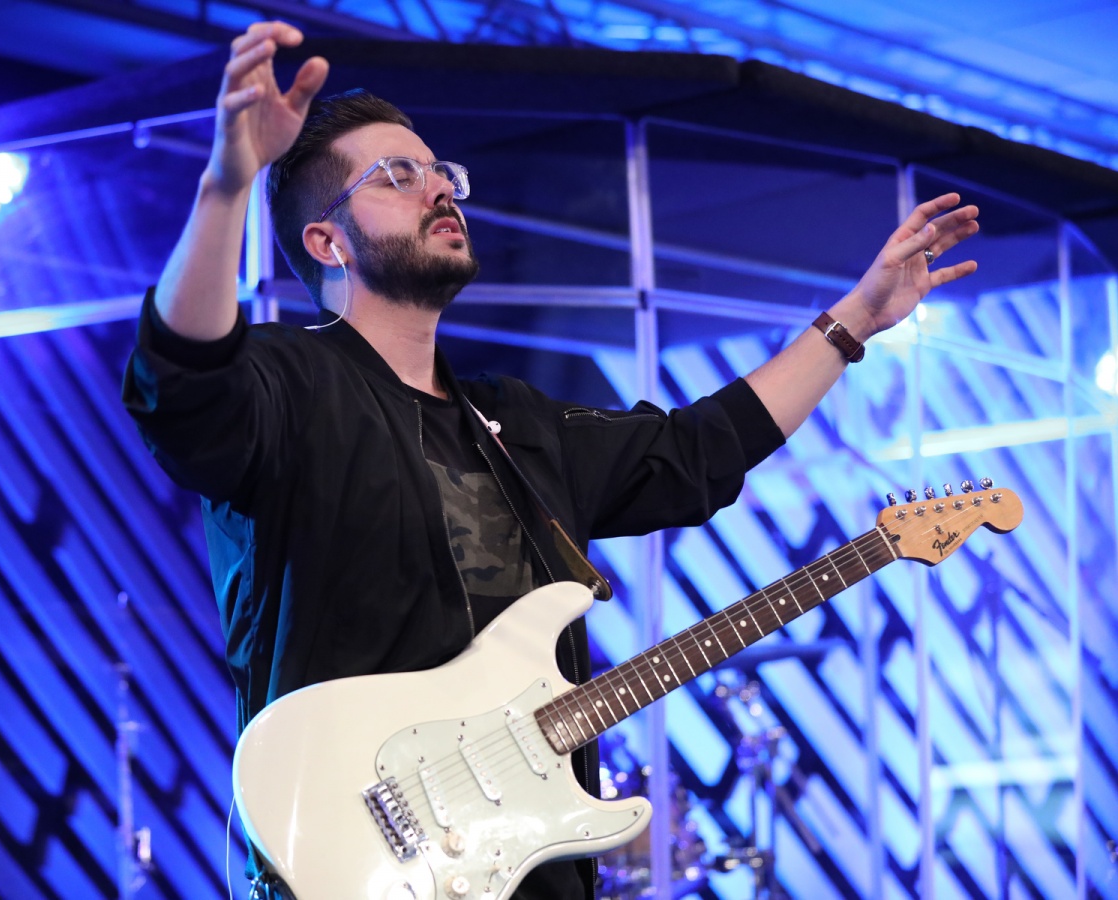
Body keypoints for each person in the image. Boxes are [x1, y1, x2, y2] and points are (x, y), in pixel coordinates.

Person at [121, 20, 980, 900]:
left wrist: (854, 321)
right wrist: (228, 180)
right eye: (398, 176)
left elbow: (695, 453)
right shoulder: (290, 384)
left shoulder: (517, 424)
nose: (439, 188)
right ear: (327, 242)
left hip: (522, 868)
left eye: (440, 172)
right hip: (354, 865)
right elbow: (182, 379)